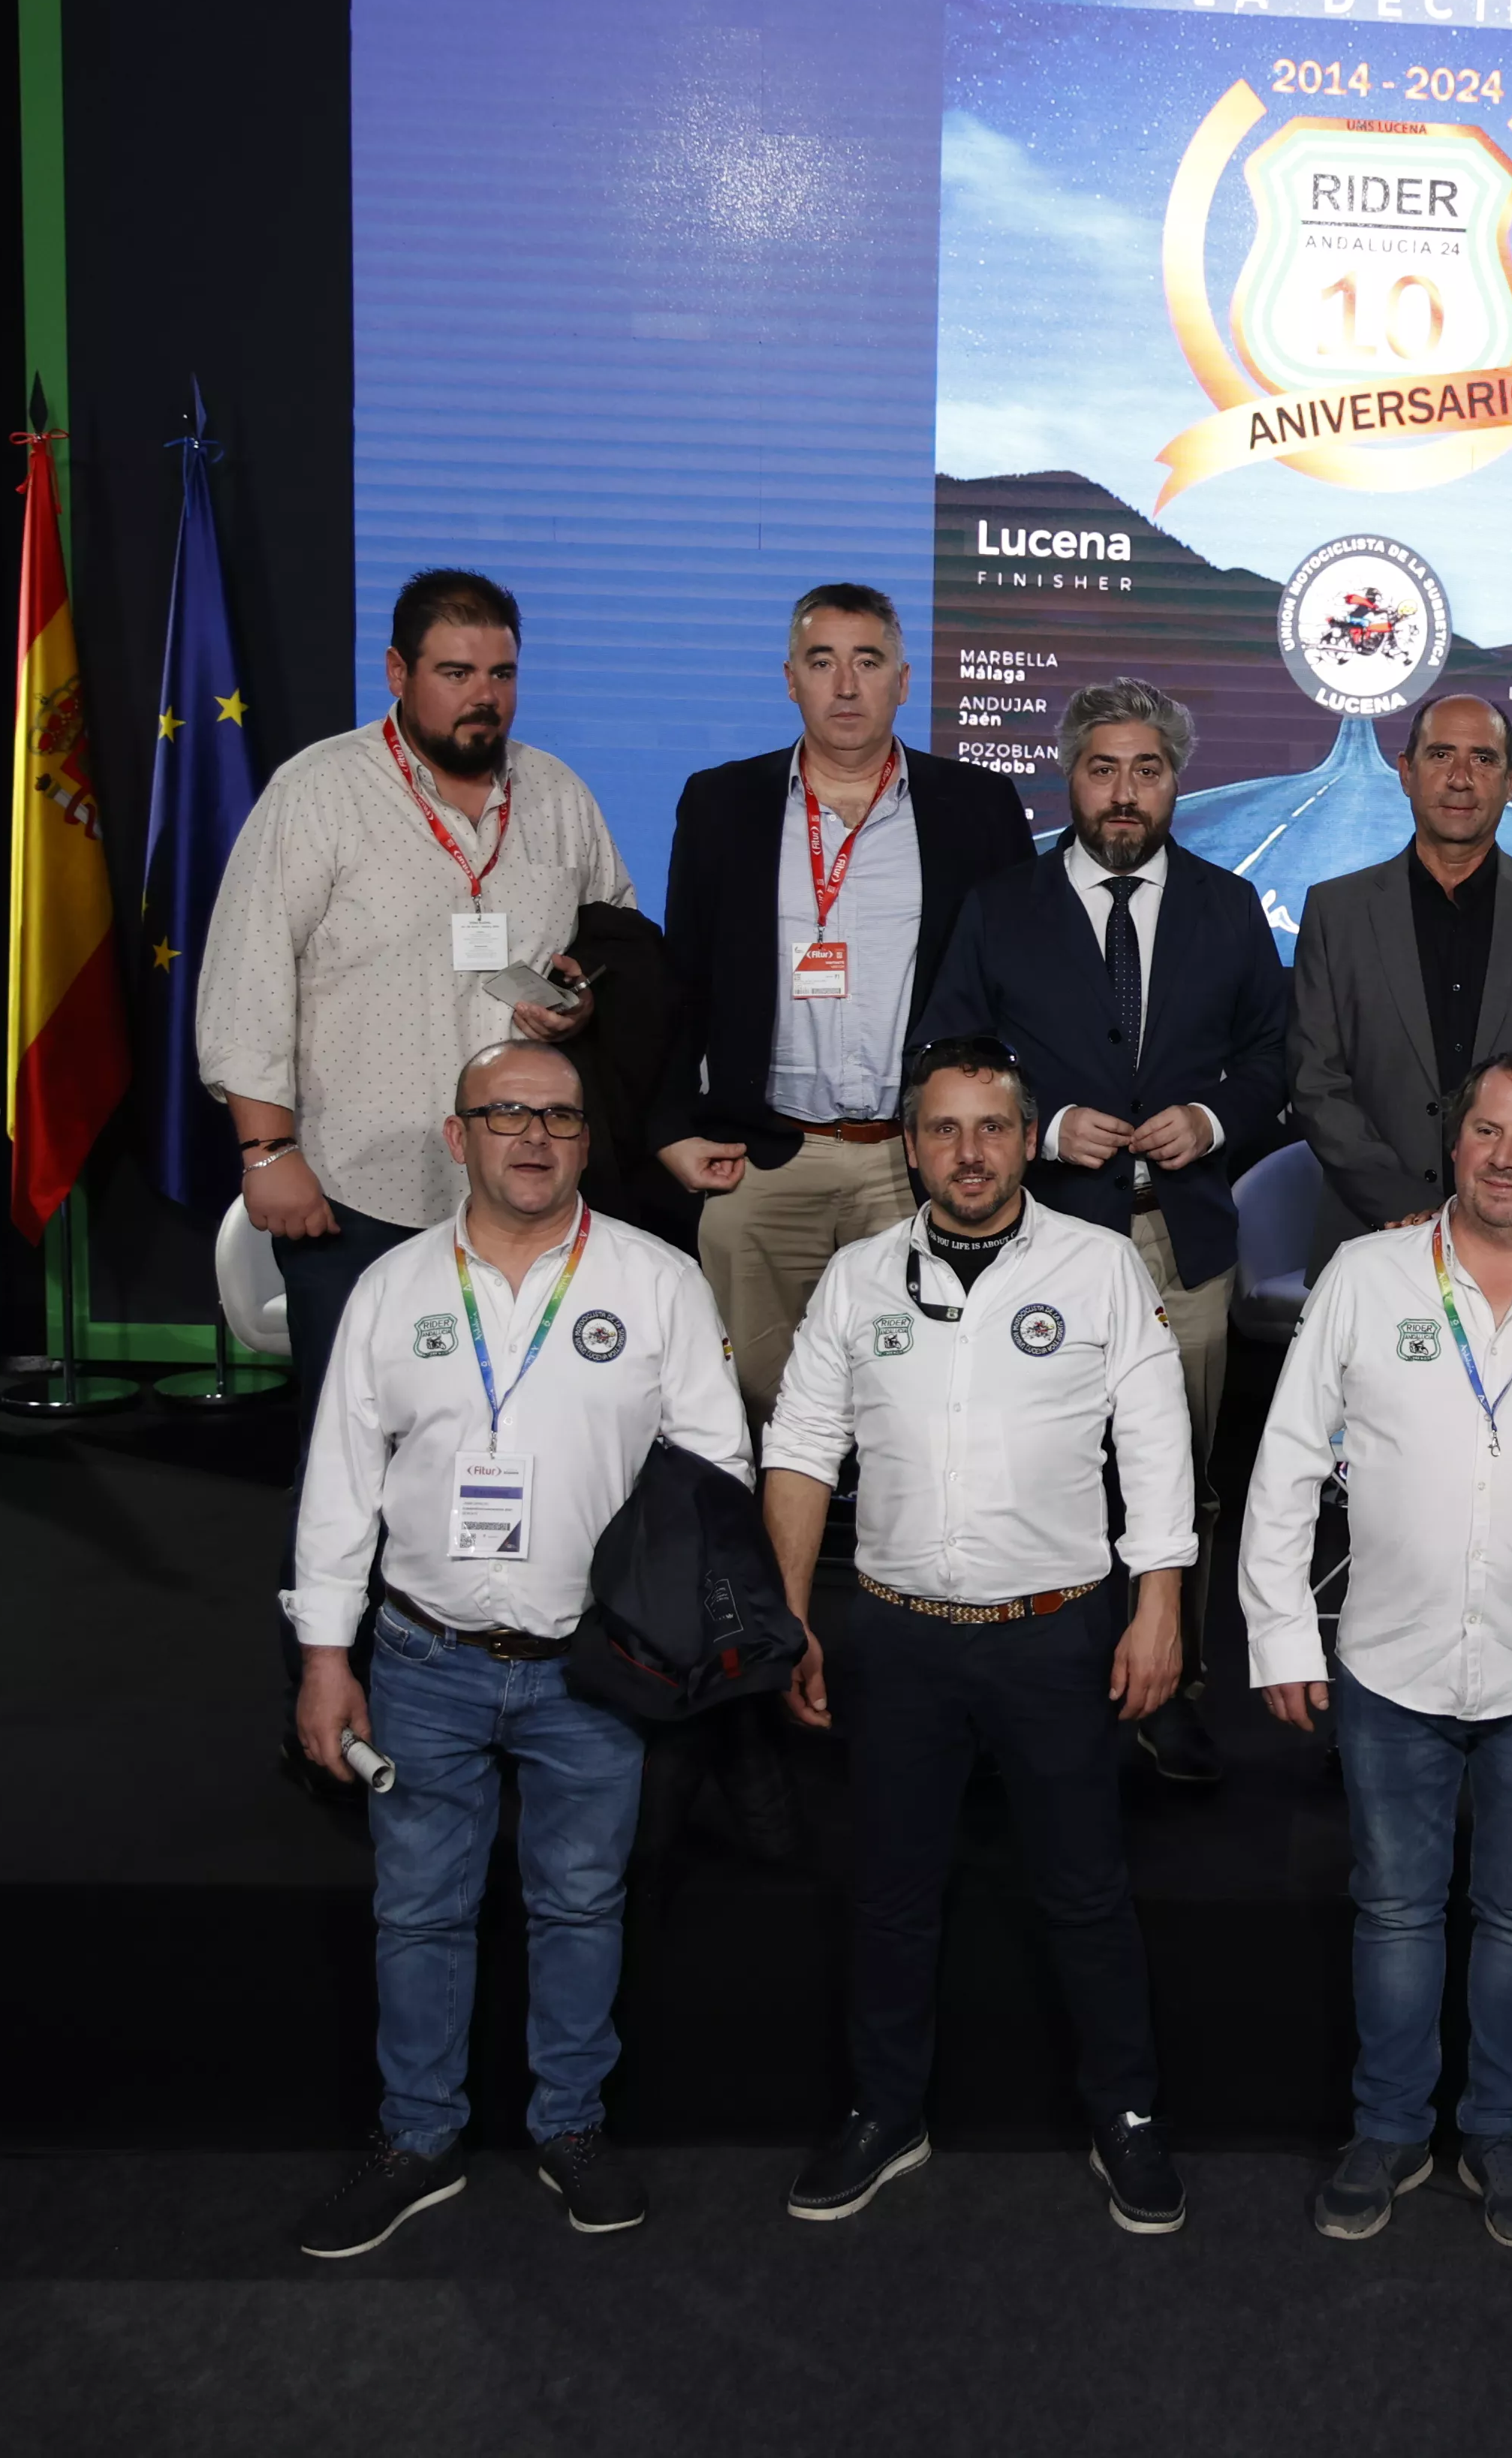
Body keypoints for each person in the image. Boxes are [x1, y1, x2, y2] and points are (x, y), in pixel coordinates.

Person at [282, 1041, 749, 2258]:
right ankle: (417, 2137)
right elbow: (340, 1483)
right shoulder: (391, 1287)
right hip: (423, 1657)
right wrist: (325, 1655)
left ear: (588, 1140)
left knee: (581, 1901)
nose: (532, 1136)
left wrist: (659, 1614)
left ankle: (571, 2126)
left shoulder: (653, 1280)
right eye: (505, 1114)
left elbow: (716, 1467)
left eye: (557, 1115)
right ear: (459, 1135)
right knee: (419, 1908)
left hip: (592, 1667)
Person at [756, 1035, 1199, 2231]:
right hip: (896, 1637)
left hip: (1054, 1635)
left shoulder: (1101, 1266)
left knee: (1086, 1893)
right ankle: (884, 2113)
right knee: (892, 1893)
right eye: (944, 1130)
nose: (969, 1153)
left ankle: (1129, 2118)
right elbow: (801, 1446)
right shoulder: (856, 1279)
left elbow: (1156, 1444)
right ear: (911, 1147)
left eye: (991, 1128)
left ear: (1026, 1138)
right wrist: (791, 1616)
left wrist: (1158, 1606)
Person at [1239, 1054, 1512, 2248]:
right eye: (1486, 1130)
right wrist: (1282, 1629)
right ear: (1458, 1140)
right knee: (1395, 1911)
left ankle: (1500, 2137)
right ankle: (1386, 2134)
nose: (1503, 1156)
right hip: (1388, 1660)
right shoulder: (1368, 1277)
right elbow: (1283, 1465)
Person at [914, 677, 1289, 1788]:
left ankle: (1175, 1688)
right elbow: (943, 1060)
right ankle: (1051, 1692)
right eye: (1103, 769)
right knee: (1046, 1473)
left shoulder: (1230, 906)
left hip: (1183, 1243)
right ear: (1069, 777)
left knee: (1183, 1481)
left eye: (1149, 770)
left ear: (1177, 783)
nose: (1125, 794)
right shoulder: (1000, 906)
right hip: (1045, 1241)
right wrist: (1044, 1127)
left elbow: (1279, 1064)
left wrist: (1217, 1116)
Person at [199, 568, 630, 1434]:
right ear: (398, 672)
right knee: (352, 1454)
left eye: (502, 675)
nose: (485, 698)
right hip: (359, 1197)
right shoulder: (318, 792)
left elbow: (613, 940)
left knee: (514, 1445)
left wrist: (580, 995)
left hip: (526, 1192)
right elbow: (245, 981)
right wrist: (266, 1151)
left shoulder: (557, 796)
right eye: (456, 674)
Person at [650, 583, 1035, 1421]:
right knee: (754, 1400)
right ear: (790, 679)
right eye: (823, 663)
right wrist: (675, 1127)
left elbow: (1016, 985)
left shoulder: (976, 807)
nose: (847, 686)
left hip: (917, 1163)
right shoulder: (721, 804)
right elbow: (685, 982)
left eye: (868, 662)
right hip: (762, 1157)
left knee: (919, 1395)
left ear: (905, 679)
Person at [1288, 692, 1512, 1261]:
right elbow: (1317, 1084)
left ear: (1511, 781)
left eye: (1483, 759)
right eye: (1441, 756)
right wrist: (1406, 1205)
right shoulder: (1336, 912)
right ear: (1407, 773)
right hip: (1375, 1234)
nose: (1461, 778)